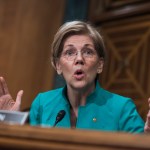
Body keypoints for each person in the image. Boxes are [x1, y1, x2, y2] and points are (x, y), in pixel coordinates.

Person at [0, 21, 149, 133]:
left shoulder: (122, 108)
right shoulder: (42, 103)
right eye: (70, 52)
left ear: (100, 65)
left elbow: (140, 143)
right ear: (58, 65)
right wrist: (9, 121)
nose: (79, 59)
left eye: (88, 52)